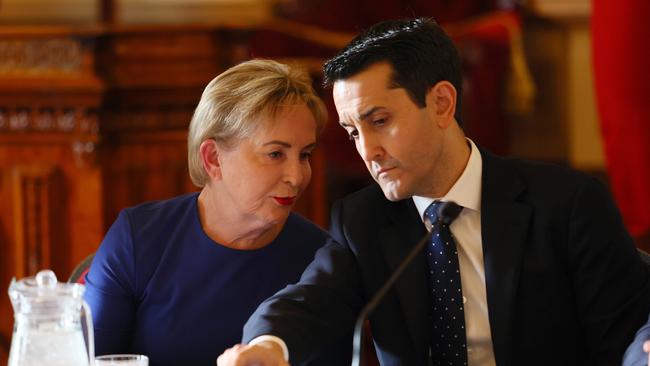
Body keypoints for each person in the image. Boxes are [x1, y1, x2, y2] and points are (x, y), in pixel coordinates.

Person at [217, 18, 650, 366]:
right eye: (353, 132)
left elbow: (632, 328)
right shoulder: (362, 220)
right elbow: (310, 301)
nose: (367, 151)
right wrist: (268, 346)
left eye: (380, 120)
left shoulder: (566, 204)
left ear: (442, 104)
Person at [84, 59, 349, 366]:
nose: (297, 175)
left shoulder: (322, 261)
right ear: (213, 158)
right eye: (275, 153)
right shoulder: (138, 238)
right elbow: (89, 359)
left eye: (304, 155)